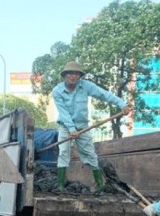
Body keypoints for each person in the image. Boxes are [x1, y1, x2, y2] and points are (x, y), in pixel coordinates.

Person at [51, 61, 131, 192]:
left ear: (79, 76)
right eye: (70, 73)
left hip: (83, 127)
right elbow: (63, 113)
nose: (73, 76)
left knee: (90, 154)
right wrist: (71, 129)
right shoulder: (57, 91)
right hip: (65, 127)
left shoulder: (86, 86)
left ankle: (99, 185)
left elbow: (104, 94)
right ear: (65, 75)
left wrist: (122, 104)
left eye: (76, 73)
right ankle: (60, 185)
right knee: (64, 152)